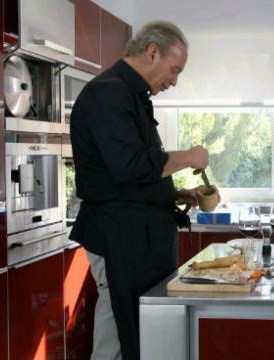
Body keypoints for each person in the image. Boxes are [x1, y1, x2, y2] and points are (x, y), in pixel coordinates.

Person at [69, 21, 211, 360]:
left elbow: (134, 174)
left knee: (132, 329)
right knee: (121, 330)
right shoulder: (109, 93)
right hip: (118, 237)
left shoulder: (131, 95)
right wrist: (188, 157)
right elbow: (131, 165)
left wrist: (176, 194)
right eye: (174, 70)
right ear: (152, 53)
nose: (174, 81)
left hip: (136, 236)